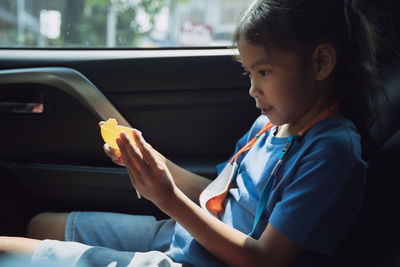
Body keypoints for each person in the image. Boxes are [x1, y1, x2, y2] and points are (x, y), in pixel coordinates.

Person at [0, 0, 381, 266]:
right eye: (249, 74)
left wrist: (167, 199)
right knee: (40, 224)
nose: (253, 89)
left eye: (264, 72)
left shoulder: (332, 153)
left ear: (320, 62)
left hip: (194, 259)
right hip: (179, 235)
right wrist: (149, 158)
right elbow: (213, 194)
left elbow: (264, 259)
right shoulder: (269, 126)